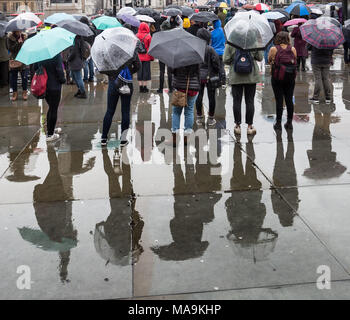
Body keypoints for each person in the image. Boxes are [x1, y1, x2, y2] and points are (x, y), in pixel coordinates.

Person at [223, 34, 263, 136]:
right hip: (251, 77)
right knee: (250, 101)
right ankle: (250, 126)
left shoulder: (231, 42)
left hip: (236, 77)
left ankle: (237, 126)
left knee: (237, 101)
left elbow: (225, 59)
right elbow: (260, 57)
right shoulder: (253, 41)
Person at [101, 50, 140, 147]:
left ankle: (104, 138)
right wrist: (128, 72)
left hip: (113, 81)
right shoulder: (131, 49)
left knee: (110, 110)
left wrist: (112, 74)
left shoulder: (109, 50)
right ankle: (123, 139)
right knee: (125, 111)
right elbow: (138, 66)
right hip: (127, 81)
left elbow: (103, 67)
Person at [268, 31, 297, 131]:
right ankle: (289, 122)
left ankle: (278, 123)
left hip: (277, 77)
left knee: (279, 100)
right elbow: (295, 60)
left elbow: (269, 60)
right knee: (289, 99)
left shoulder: (273, 49)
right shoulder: (292, 49)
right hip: (290, 77)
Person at [35, 54, 66, 142]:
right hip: (55, 86)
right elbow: (59, 70)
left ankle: (51, 129)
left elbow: (35, 68)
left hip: (44, 85)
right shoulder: (56, 55)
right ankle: (50, 134)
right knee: (53, 109)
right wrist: (63, 79)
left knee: (51, 108)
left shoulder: (39, 55)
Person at [171, 64, 200, 146]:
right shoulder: (195, 57)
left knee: (176, 112)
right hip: (193, 88)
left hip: (180, 87)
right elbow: (198, 73)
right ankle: (186, 137)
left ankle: (174, 137)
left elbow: (172, 71)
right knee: (189, 111)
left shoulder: (176, 57)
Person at [195, 28, 220, 126]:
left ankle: (199, 117)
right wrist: (216, 71)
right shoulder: (210, 49)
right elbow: (216, 63)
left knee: (199, 96)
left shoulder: (196, 49)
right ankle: (210, 117)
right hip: (210, 76)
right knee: (211, 97)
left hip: (199, 76)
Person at [158, 16, 182, 93]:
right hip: (170, 53)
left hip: (161, 54)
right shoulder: (172, 34)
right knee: (170, 72)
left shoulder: (160, 35)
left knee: (161, 71)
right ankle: (171, 88)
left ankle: (160, 88)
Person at [7, 31, 28, 101]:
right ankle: (14, 93)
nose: (19, 31)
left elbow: (27, 48)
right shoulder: (9, 38)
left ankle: (25, 92)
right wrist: (18, 43)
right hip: (14, 60)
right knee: (13, 78)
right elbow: (10, 49)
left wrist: (23, 42)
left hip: (23, 59)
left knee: (24, 77)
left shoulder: (24, 37)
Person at [136, 22, 153, 93]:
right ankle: (145, 87)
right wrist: (151, 57)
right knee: (146, 72)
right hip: (146, 57)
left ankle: (140, 87)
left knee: (139, 72)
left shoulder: (136, 35)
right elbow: (150, 47)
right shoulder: (148, 36)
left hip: (138, 57)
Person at [80, 16, 96, 83]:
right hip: (91, 47)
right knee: (91, 63)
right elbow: (95, 36)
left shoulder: (82, 29)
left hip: (85, 47)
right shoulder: (92, 28)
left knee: (85, 63)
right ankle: (91, 77)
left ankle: (86, 78)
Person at [211, 19, 226, 85]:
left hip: (214, 52)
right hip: (222, 52)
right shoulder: (223, 31)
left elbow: (210, 43)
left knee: (215, 66)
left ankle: (216, 79)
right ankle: (223, 79)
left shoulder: (212, 33)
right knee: (222, 66)